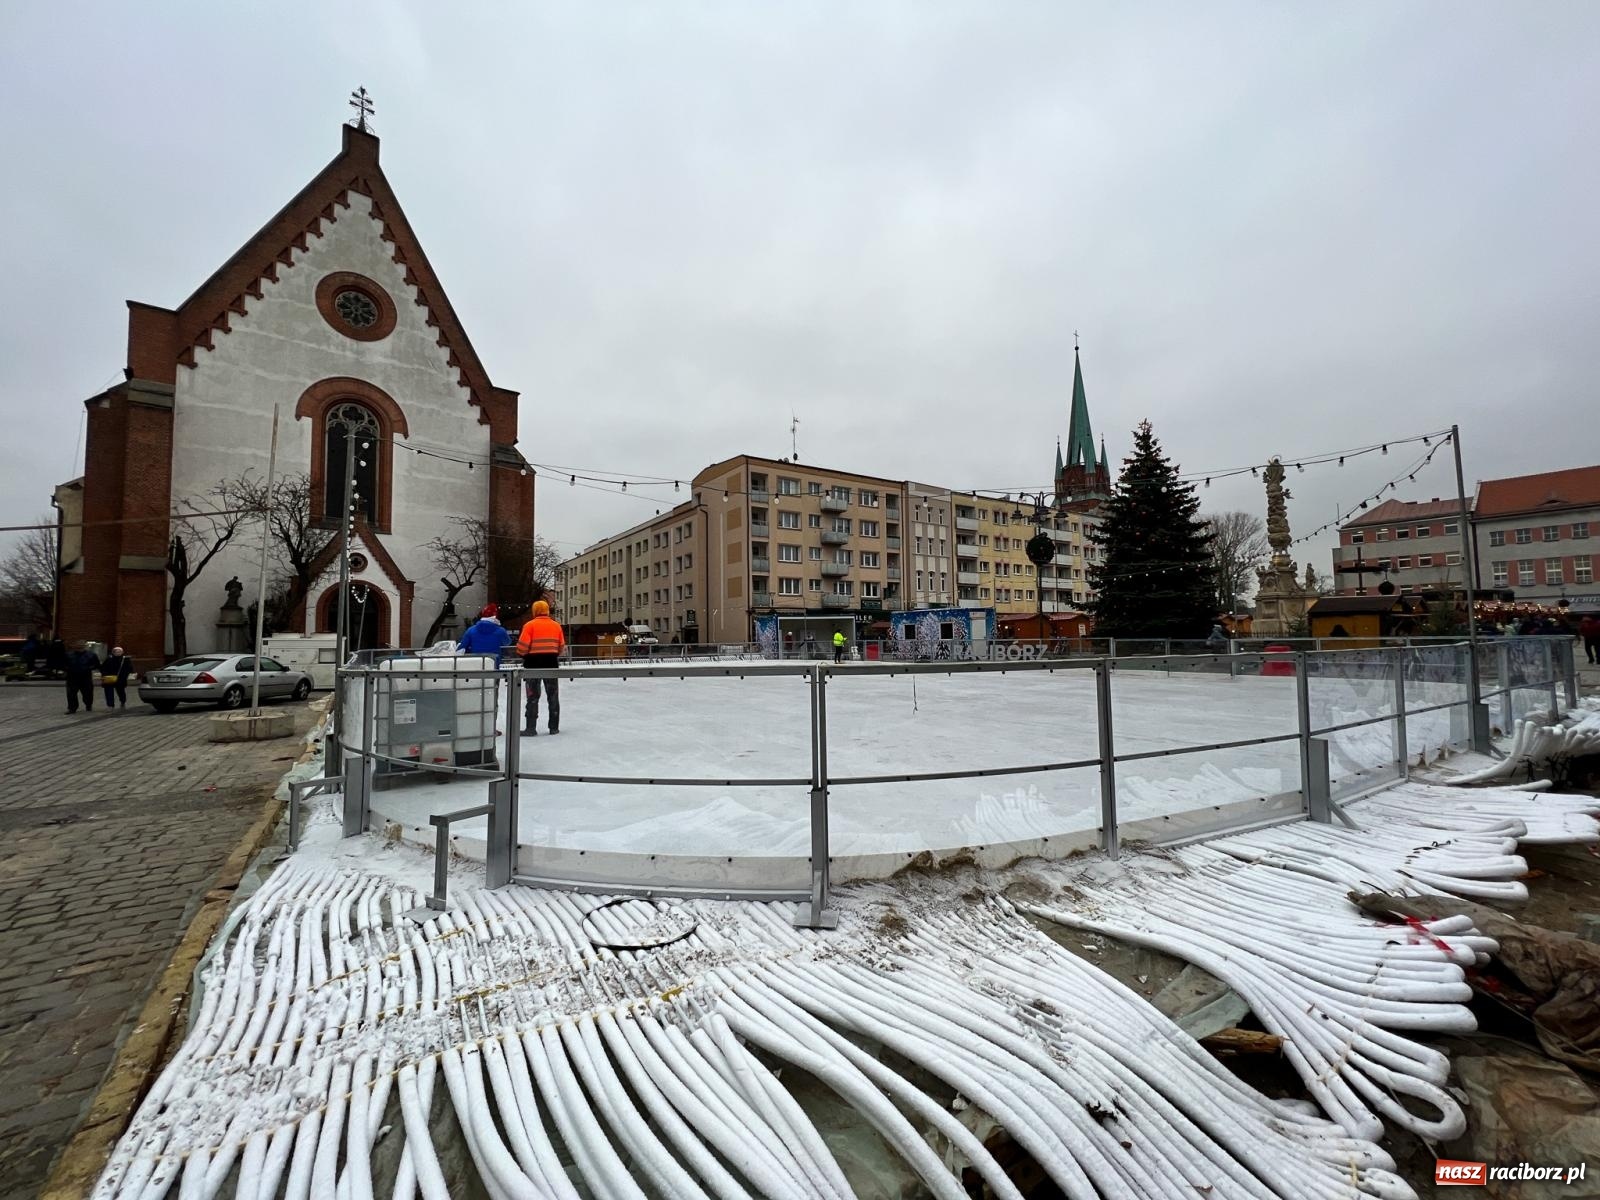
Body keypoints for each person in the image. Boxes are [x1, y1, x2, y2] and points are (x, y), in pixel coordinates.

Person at [515, 599, 566, 735]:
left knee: (532, 697)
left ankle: (531, 728)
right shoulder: (556, 626)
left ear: (535, 611)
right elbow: (561, 647)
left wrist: (523, 654)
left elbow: (522, 647)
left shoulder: (529, 626)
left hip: (532, 665)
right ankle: (553, 727)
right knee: (553, 696)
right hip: (551, 664)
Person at [64, 642, 98, 714]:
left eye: (81, 647)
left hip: (85, 677)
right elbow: (64, 663)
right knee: (71, 694)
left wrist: (88, 668)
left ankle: (88, 704)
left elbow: (96, 664)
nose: (80, 648)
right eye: (78, 647)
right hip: (72, 677)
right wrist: (67, 669)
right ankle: (72, 708)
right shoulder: (69, 655)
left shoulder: (91, 655)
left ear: (85, 647)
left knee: (87, 693)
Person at [100, 645, 134, 710]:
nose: (118, 653)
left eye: (119, 652)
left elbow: (129, 669)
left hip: (120, 679)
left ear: (122, 652)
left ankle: (122, 701)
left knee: (121, 691)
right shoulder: (109, 659)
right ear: (113, 652)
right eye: (116, 652)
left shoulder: (125, 660)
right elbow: (103, 668)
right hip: (109, 678)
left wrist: (123, 677)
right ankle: (110, 705)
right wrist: (105, 675)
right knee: (109, 691)